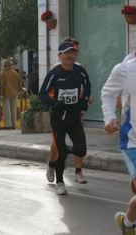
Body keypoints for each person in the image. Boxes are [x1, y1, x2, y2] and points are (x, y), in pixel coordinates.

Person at [39, 41, 91, 195]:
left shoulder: (80, 72)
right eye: (66, 53)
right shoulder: (54, 73)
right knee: (60, 153)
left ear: (75, 54)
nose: (69, 56)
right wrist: (54, 102)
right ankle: (60, 183)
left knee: (81, 150)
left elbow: (87, 86)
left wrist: (84, 100)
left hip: (74, 117)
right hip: (58, 118)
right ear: (59, 55)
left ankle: (67, 149)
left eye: (72, 52)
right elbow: (42, 94)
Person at [101, 54, 136, 234]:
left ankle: (128, 223)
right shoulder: (126, 68)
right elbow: (108, 93)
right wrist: (110, 117)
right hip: (132, 141)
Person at [0, 60, 22, 129]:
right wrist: (17, 91)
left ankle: (8, 125)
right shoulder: (16, 73)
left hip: (6, 93)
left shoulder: (3, 73)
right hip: (15, 93)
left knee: (6, 109)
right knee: (13, 109)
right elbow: (20, 84)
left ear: (4, 66)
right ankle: (14, 124)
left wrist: (1, 94)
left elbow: (1, 85)